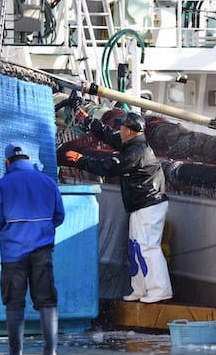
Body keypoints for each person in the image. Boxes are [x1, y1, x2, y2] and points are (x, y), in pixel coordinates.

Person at [66, 110, 173, 304]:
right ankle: (140, 288)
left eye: (122, 126)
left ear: (130, 131)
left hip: (149, 205)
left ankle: (160, 289)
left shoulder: (136, 153)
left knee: (147, 247)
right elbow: (108, 135)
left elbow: (108, 167)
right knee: (135, 247)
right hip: (141, 204)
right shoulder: (131, 144)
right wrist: (88, 121)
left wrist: (81, 161)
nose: (120, 129)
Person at [0, 144, 66, 355]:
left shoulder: (1, 186)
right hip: (42, 250)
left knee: (14, 301)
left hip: (13, 253)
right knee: (47, 299)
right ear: (28, 159)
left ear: (7, 162)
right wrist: (42, 232)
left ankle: (15, 353)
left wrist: (13, 232)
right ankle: (50, 352)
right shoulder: (48, 182)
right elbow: (59, 216)